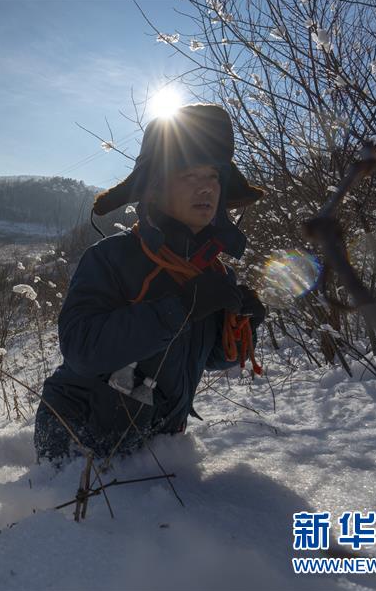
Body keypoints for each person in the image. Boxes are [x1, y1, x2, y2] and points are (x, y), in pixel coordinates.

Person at [34, 103, 267, 463]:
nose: (206, 187)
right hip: (76, 447)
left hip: (153, 448)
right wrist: (180, 309)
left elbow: (211, 359)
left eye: (213, 176)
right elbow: (81, 348)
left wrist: (242, 327)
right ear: (155, 189)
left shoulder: (213, 274)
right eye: (190, 175)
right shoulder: (111, 257)